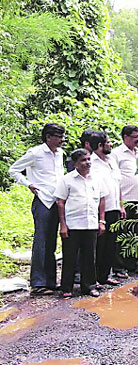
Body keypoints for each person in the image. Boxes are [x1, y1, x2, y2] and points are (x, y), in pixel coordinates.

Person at [9, 123, 66, 295]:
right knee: (41, 241)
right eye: (59, 136)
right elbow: (14, 170)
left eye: (63, 136)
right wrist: (29, 184)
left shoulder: (60, 154)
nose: (62, 140)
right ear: (48, 137)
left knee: (51, 242)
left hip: (57, 200)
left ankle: (50, 281)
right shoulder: (35, 153)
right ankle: (38, 283)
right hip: (42, 200)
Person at [55, 149, 106, 298]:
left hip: (90, 224)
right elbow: (61, 202)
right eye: (83, 160)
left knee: (90, 257)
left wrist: (101, 220)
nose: (87, 163)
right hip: (73, 225)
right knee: (70, 257)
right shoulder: (67, 180)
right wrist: (63, 225)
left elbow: (102, 199)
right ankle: (66, 288)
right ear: (75, 163)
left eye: (89, 159)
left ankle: (89, 286)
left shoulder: (96, 179)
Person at [112, 125, 138, 271]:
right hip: (127, 199)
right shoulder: (116, 154)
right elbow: (115, 179)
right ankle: (121, 265)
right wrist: (120, 203)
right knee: (126, 234)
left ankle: (134, 262)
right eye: (135, 137)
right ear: (125, 137)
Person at [89, 132, 126, 286]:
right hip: (100, 210)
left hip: (114, 207)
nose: (111, 144)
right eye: (108, 142)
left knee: (111, 244)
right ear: (99, 146)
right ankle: (94, 277)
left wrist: (121, 204)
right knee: (99, 245)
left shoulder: (111, 160)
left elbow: (117, 184)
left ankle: (105, 275)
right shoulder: (91, 163)